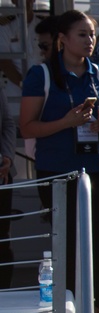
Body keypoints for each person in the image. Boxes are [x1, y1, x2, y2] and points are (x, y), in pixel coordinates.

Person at [19, 10, 99, 313]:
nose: (90, 41)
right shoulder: (42, 75)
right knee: (69, 244)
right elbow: (27, 127)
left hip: (96, 169)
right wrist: (67, 122)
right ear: (63, 39)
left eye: (92, 35)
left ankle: (97, 305)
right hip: (57, 172)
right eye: (82, 34)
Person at [0, 87, 14, 289]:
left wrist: (7, 156)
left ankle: (4, 292)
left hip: (2, 174)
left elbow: (8, 123)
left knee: (2, 237)